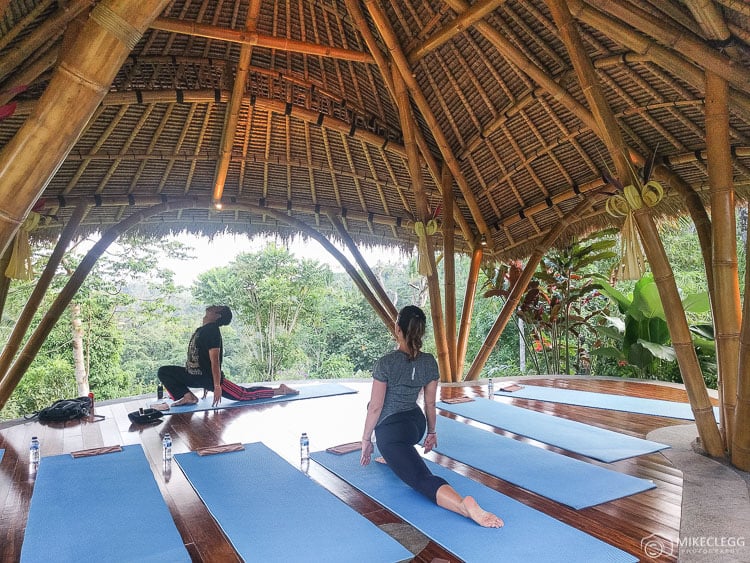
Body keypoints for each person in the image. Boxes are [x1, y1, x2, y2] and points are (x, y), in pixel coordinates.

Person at [360, 305, 504, 528]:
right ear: (421, 331)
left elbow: (376, 408)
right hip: (415, 425)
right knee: (391, 434)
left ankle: (463, 506)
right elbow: (429, 403)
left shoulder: (386, 362)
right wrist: (432, 432)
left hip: (392, 433)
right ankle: (393, 455)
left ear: (398, 329)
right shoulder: (429, 362)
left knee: (419, 478)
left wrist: (366, 440)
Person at [157, 305, 298, 406]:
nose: (212, 306)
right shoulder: (203, 329)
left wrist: (216, 385)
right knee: (164, 371)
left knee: (244, 395)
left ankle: (280, 390)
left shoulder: (212, 330)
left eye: (216, 307)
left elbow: (215, 361)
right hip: (194, 375)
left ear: (217, 315)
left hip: (210, 378)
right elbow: (199, 357)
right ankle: (188, 397)